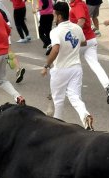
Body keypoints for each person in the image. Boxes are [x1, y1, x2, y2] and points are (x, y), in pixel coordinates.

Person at [41, 1, 93, 130]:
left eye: (54, 15)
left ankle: (56, 127)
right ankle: (85, 116)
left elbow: (56, 49)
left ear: (59, 16)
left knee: (58, 99)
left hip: (61, 69)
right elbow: (84, 42)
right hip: (76, 68)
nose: (53, 17)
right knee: (75, 97)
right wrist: (71, 45)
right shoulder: (77, 28)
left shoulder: (55, 31)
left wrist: (46, 65)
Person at [69, 0, 109, 104]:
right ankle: (107, 85)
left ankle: (66, 92)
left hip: (82, 41)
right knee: (95, 65)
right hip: (90, 40)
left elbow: (81, 21)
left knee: (71, 66)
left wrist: (75, 36)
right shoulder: (78, 4)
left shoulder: (78, 5)